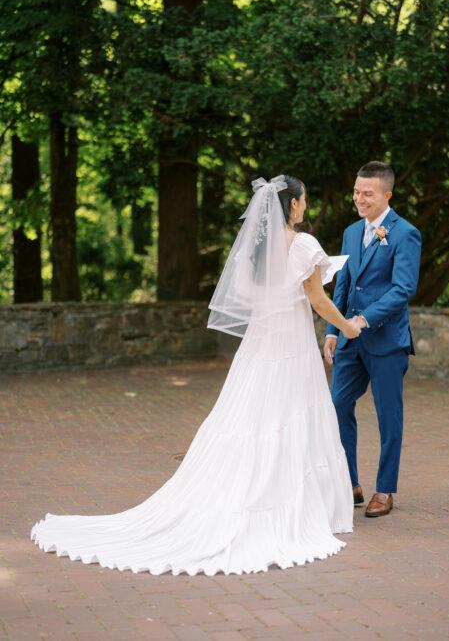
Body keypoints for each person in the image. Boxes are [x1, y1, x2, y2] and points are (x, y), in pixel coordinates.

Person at [31, 175, 361, 576]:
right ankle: (291, 507)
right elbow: (317, 298)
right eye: (304, 200)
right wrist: (347, 328)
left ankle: (244, 493)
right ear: (292, 206)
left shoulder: (254, 252)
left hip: (259, 348)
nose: (305, 206)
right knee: (287, 416)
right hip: (290, 348)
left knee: (251, 418)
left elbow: (251, 297)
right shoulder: (303, 244)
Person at [324, 161, 421, 517]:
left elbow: (403, 289)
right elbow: (344, 285)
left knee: (388, 415)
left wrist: (364, 320)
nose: (359, 199)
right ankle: (349, 483)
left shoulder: (405, 233)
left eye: (367, 193)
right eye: (355, 192)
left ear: (387, 195)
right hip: (350, 340)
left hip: (386, 341)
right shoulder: (351, 232)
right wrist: (333, 330)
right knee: (336, 406)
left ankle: (385, 489)